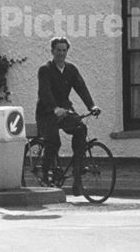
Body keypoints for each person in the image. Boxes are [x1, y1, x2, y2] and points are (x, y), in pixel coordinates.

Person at [36, 36, 101, 195]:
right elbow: (45, 92)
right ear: (52, 51)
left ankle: (77, 177)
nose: (61, 53)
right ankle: (45, 174)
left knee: (80, 128)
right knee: (53, 142)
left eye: (64, 50)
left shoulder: (71, 69)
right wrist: (54, 108)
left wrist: (91, 105)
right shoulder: (45, 70)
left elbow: (81, 87)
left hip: (65, 110)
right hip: (47, 113)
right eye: (58, 50)